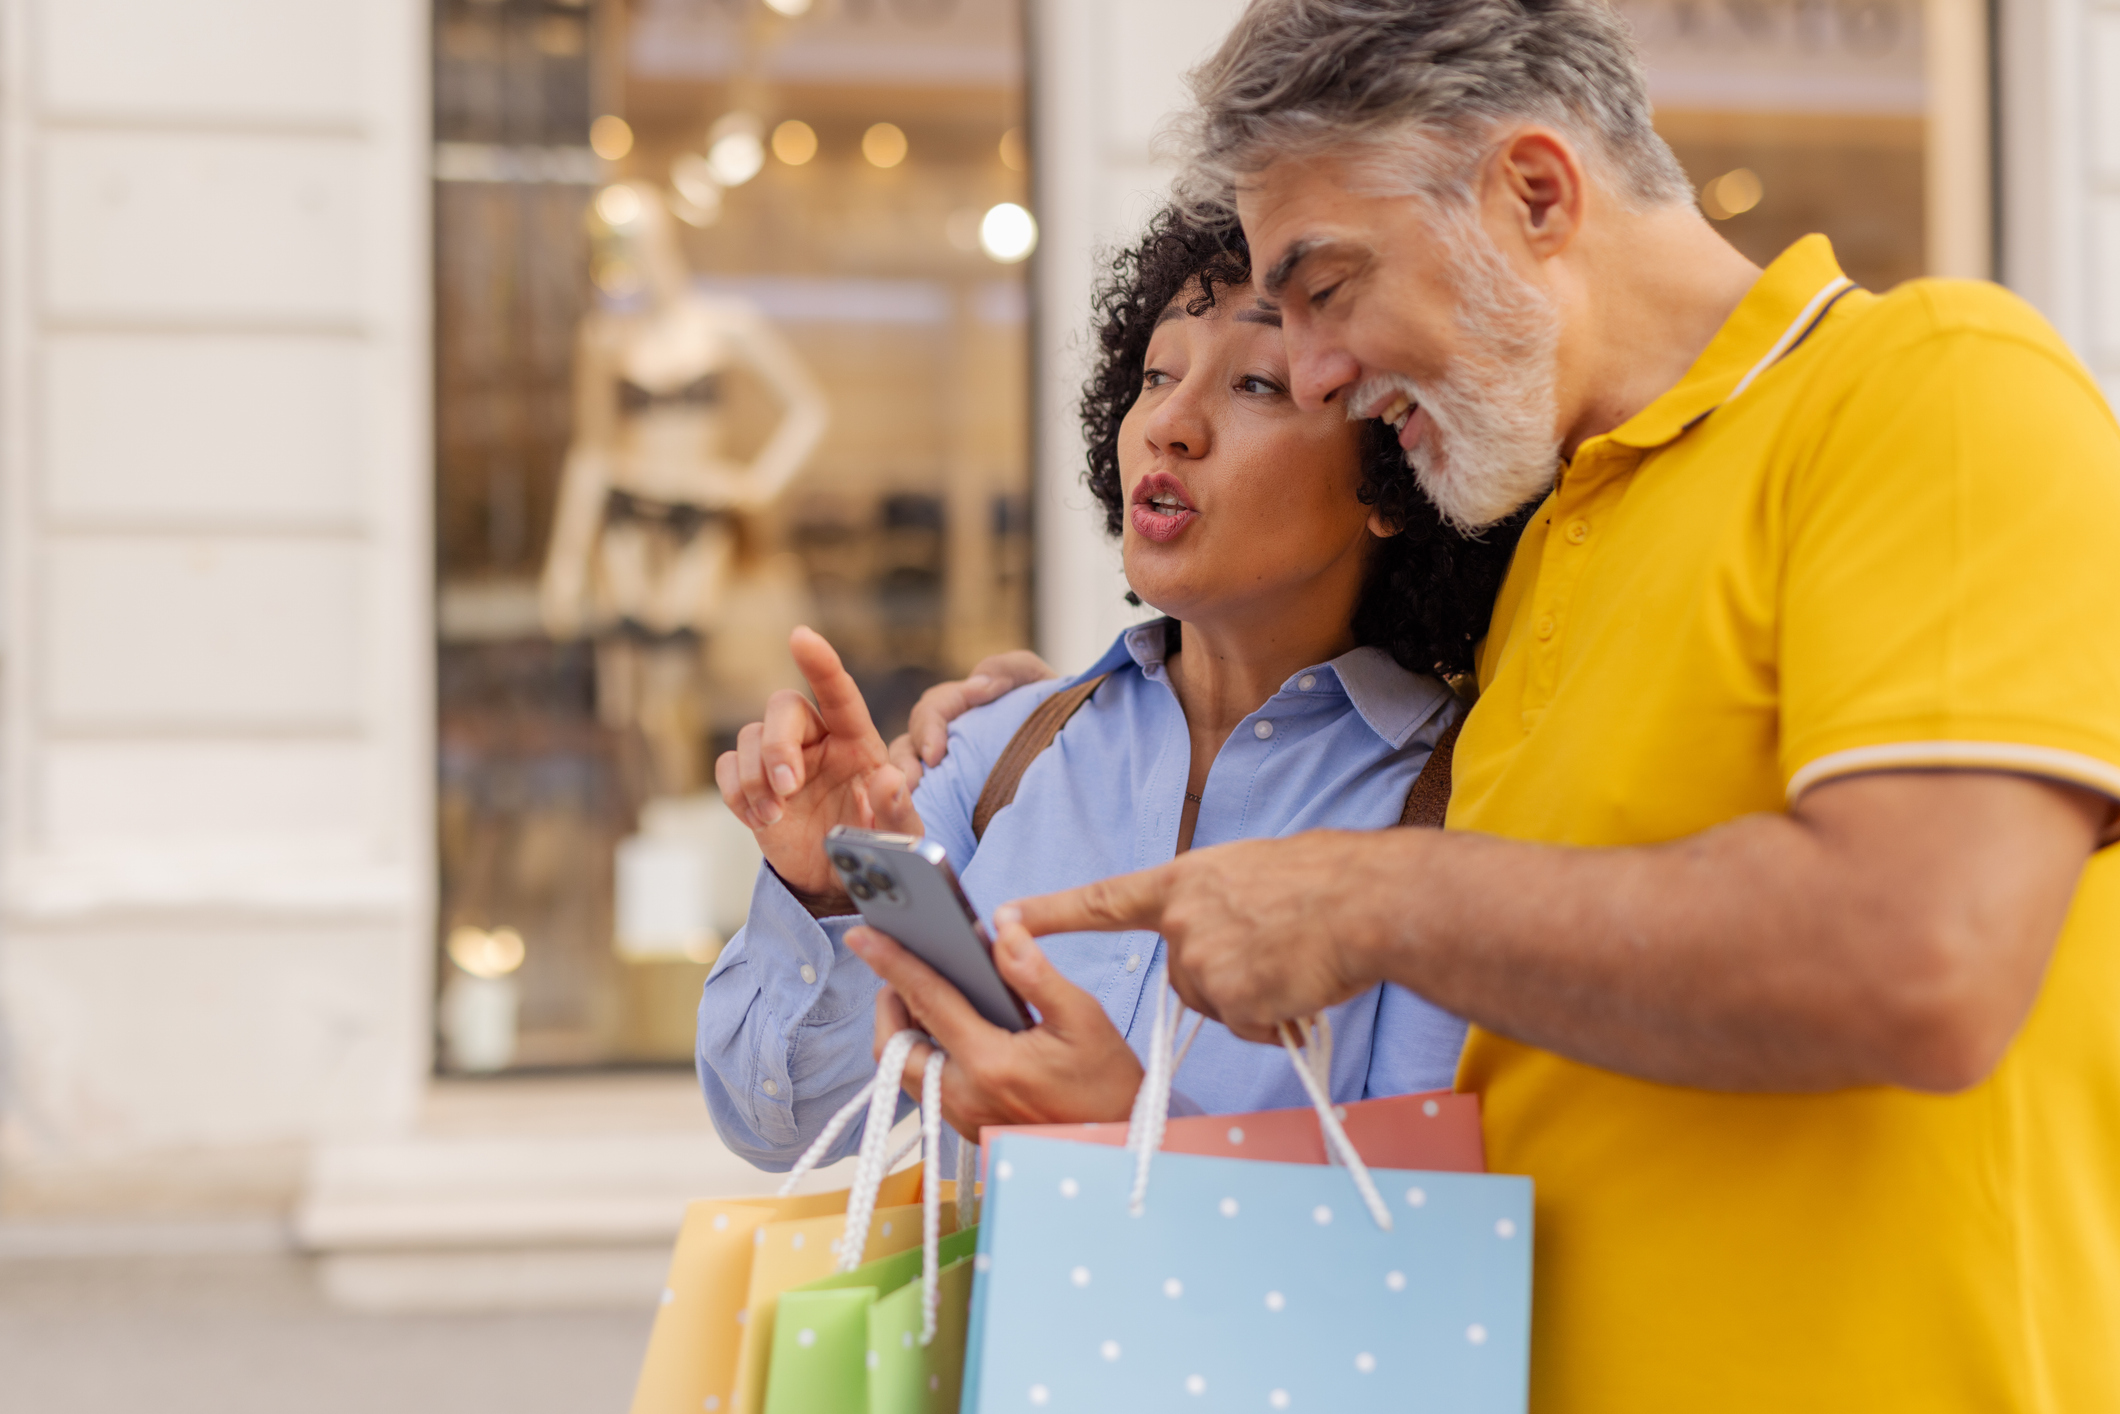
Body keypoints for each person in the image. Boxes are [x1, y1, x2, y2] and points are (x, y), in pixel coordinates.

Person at [888, 2, 2120, 1410]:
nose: (1320, 371)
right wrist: (1066, 714)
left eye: (1328, 286)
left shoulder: (1936, 384)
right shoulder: (1549, 549)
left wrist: (1365, 899)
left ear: (1533, 193)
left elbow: (1925, 954)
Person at [695, 211, 1518, 1165]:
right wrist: (825, 888)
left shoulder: (1458, 808)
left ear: (1397, 468)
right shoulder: (994, 750)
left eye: (1257, 383)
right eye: (1156, 376)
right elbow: (780, 1124)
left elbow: (1421, 1218)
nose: (1168, 424)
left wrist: (1135, 1134)